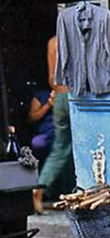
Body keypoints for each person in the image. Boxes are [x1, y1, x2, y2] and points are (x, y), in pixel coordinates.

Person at [33, 36, 74, 213]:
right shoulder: (74, 36)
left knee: (60, 148)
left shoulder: (52, 42)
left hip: (58, 97)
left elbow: (51, 78)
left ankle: (40, 187)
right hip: (74, 96)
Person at [26, 86, 56, 166]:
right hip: (45, 135)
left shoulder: (69, 94)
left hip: (63, 134)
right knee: (38, 142)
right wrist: (48, 104)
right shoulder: (41, 95)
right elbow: (32, 118)